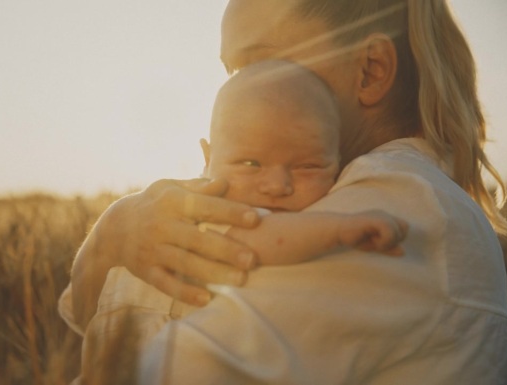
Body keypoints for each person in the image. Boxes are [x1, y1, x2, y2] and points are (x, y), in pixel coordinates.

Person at [63, 0, 507, 383]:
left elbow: (174, 368)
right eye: (231, 72)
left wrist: (118, 260)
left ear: (370, 71)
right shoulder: (326, 195)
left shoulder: (402, 203)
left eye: (259, 62)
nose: (241, 92)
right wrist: (111, 238)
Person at [62, 60, 409, 383]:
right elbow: (266, 238)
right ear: (208, 159)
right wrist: (341, 228)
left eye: (308, 166)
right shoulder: (195, 211)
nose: (277, 186)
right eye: (250, 164)